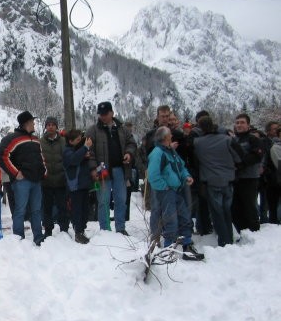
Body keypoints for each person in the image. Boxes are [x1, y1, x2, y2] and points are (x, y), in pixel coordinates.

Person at [147, 126, 203, 260]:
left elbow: (181, 166)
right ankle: (168, 250)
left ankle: (187, 245)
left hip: (177, 190)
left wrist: (186, 176)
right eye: (170, 135)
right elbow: (153, 176)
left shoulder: (170, 151)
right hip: (166, 192)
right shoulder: (157, 153)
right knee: (170, 221)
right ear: (165, 138)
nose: (172, 137)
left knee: (184, 217)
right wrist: (165, 187)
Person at [85, 102, 136, 235]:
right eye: (101, 114)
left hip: (120, 169)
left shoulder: (122, 129)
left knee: (121, 200)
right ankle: (105, 229)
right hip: (102, 171)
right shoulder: (93, 130)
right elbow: (89, 152)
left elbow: (131, 143)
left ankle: (120, 228)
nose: (103, 117)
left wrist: (128, 153)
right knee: (103, 201)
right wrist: (92, 168)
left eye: (105, 114)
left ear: (112, 113)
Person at [0, 111, 47, 245]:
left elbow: (41, 157)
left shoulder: (36, 139)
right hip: (22, 181)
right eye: (32, 122)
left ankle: (38, 237)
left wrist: (44, 172)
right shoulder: (12, 138)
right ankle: (18, 239)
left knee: (36, 210)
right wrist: (15, 173)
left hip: (36, 180)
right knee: (20, 210)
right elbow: (2, 156)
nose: (34, 124)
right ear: (25, 124)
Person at [192, 116, 242, 247]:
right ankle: (229, 238)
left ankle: (224, 241)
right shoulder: (227, 139)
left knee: (217, 212)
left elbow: (195, 160)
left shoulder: (197, 143)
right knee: (227, 210)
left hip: (211, 180)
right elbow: (238, 157)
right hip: (228, 179)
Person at [231, 113, 263, 233]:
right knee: (236, 208)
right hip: (235, 179)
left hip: (249, 178)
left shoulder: (253, 139)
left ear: (248, 125)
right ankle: (241, 231)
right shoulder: (233, 139)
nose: (239, 125)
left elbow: (257, 156)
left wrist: (241, 164)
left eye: (242, 122)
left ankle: (254, 231)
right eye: (237, 122)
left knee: (250, 206)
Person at [62, 130, 95, 244]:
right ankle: (78, 232)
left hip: (84, 184)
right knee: (77, 210)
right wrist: (85, 147)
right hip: (75, 186)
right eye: (78, 140)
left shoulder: (78, 150)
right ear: (70, 141)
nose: (81, 141)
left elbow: (79, 158)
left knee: (85, 210)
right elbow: (73, 160)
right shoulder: (67, 151)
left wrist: (85, 155)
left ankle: (82, 230)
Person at [40, 116, 69, 236]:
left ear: (56, 126)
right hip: (46, 182)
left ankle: (64, 230)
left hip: (61, 181)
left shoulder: (64, 141)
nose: (51, 126)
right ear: (46, 127)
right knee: (46, 208)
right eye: (48, 124)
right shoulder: (40, 142)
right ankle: (48, 230)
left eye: (53, 124)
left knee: (63, 207)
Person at [262, 120, 281, 223]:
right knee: (272, 205)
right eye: (274, 129)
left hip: (277, 177)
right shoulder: (265, 142)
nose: (277, 130)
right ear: (268, 131)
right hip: (271, 178)